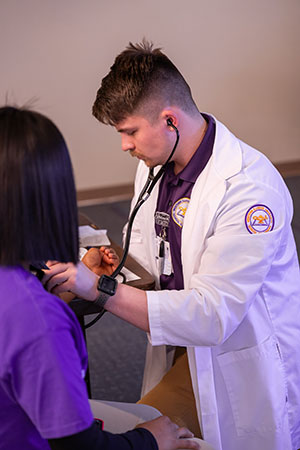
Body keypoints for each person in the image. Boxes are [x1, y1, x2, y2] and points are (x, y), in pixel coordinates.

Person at [43, 40, 300, 450]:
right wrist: (107, 265)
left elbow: (213, 316)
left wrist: (102, 290)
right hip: (181, 347)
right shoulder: (156, 167)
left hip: (235, 359)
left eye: (129, 131)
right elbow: (145, 256)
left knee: (150, 438)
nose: (124, 145)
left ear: (170, 120)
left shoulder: (249, 190)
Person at [0, 106, 201, 450]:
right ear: (52, 195)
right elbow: (81, 447)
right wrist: (151, 440)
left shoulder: (24, 299)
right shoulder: (38, 321)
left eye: (129, 132)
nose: (125, 145)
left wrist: (71, 288)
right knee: (184, 437)